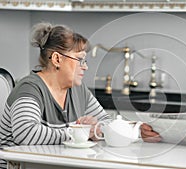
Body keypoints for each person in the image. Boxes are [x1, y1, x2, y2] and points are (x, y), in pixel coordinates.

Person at [0, 22, 111, 167]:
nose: (85, 66)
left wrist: (96, 128)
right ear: (57, 59)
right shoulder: (29, 88)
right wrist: (77, 132)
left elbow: (106, 121)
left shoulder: (78, 89)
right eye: (80, 60)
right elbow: (27, 133)